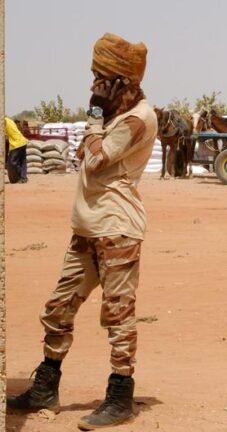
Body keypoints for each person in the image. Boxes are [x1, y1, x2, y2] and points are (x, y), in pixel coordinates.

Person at [7, 33, 158, 431]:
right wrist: (95, 128)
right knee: (58, 308)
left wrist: (92, 125)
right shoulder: (112, 116)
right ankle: (45, 387)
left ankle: (120, 395)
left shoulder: (138, 119)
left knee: (118, 314)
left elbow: (95, 159)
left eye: (101, 77)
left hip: (118, 230)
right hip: (87, 230)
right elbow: (86, 155)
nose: (93, 85)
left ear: (123, 82)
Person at [5, 117, 29, 183]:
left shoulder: (3, 121)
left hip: (17, 144)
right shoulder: (9, 120)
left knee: (12, 162)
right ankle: (24, 178)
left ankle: (20, 176)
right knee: (22, 161)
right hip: (22, 142)